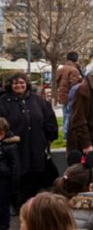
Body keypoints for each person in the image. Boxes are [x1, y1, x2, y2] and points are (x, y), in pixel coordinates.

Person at [0, 72, 58, 206]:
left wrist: (49, 137)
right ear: (10, 85)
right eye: (15, 83)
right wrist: (8, 138)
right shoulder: (3, 102)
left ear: (26, 84)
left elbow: (50, 119)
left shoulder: (38, 100)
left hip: (37, 145)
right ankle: (18, 204)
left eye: (22, 82)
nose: (19, 85)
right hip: (14, 148)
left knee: (37, 172)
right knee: (18, 176)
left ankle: (35, 203)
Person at [0, 117, 19, 230]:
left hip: (4, 180)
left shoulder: (9, 146)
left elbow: (15, 165)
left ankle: (4, 228)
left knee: (3, 205)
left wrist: (14, 183)